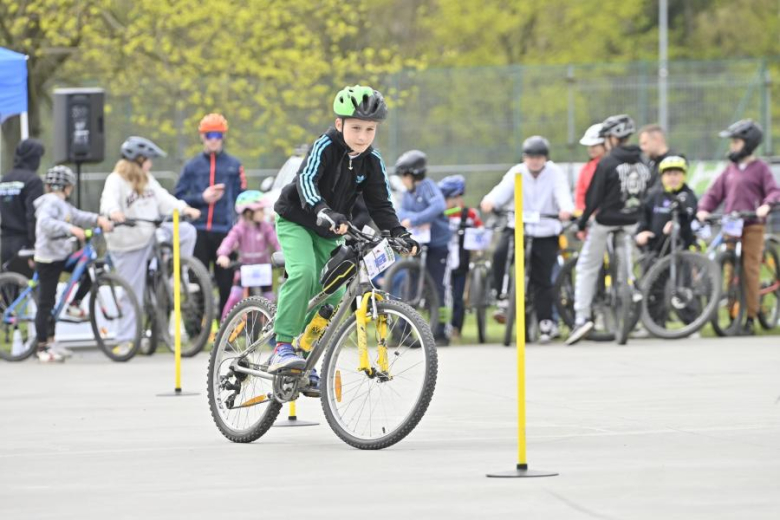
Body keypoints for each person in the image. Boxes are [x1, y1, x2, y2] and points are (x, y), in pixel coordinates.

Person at [271, 85, 417, 392]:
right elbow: (305, 182)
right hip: (297, 219)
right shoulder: (325, 146)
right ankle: (282, 346)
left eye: (369, 129)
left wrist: (399, 233)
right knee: (305, 273)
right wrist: (323, 210)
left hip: (331, 231)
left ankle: (304, 356)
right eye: (355, 128)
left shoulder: (372, 160)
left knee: (334, 296)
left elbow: (381, 205)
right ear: (340, 125)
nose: (362, 136)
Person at [100, 137, 200, 356]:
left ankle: (178, 275)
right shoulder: (115, 180)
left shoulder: (148, 180)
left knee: (186, 231)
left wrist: (184, 208)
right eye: (149, 160)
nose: (151, 164)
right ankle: (126, 340)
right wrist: (114, 213)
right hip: (127, 243)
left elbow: (165, 199)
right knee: (132, 292)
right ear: (138, 159)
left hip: (150, 234)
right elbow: (108, 201)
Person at [566, 114, 651, 346]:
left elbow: (594, 198)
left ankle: (581, 317)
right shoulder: (643, 161)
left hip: (606, 220)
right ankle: (631, 286)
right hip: (632, 220)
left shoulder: (607, 162)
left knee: (587, 265)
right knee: (629, 258)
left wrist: (582, 222)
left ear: (613, 138)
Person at [480, 136, 573, 343]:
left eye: (539, 157)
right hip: (518, 227)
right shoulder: (517, 172)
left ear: (545, 158)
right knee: (500, 254)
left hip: (546, 230)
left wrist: (566, 209)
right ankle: (502, 297)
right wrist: (489, 201)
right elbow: (500, 192)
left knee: (543, 276)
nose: (534, 161)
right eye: (531, 157)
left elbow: (563, 195)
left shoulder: (555, 173)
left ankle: (545, 321)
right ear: (525, 157)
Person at [696, 119, 780, 335]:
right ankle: (733, 312)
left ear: (748, 143)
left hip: (752, 225)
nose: (732, 146)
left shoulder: (760, 168)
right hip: (731, 225)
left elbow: (773, 191)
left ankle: (751, 316)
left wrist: (765, 206)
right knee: (730, 269)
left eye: (736, 142)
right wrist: (704, 209)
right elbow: (714, 193)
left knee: (750, 269)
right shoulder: (729, 170)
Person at [33, 166, 113, 362]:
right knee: (47, 302)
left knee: (88, 269)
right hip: (48, 259)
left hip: (61, 256)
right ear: (65, 186)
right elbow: (45, 223)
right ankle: (42, 345)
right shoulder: (51, 202)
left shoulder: (63, 204)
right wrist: (71, 229)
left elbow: (78, 215)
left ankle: (73, 305)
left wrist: (97, 219)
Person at [175, 113, 247, 315]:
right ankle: (196, 329)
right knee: (196, 281)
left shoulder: (234, 164)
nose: (213, 139)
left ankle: (224, 328)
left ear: (223, 136)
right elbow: (178, 197)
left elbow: (242, 197)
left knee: (226, 284)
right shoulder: (191, 166)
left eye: (217, 134)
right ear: (202, 137)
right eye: (209, 135)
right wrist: (202, 198)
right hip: (198, 232)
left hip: (225, 231)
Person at [395, 149, 452, 345]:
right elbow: (400, 211)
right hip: (419, 244)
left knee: (437, 286)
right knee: (409, 285)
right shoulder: (407, 193)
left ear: (412, 174)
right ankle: (403, 331)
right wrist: (411, 220)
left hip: (437, 244)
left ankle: (441, 332)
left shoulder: (427, 186)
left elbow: (438, 206)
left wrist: (417, 219)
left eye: (404, 176)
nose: (402, 180)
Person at [216, 190, 280, 318]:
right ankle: (224, 326)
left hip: (263, 269)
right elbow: (229, 241)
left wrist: (283, 253)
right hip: (244, 268)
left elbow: (276, 241)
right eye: (261, 210)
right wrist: (223, 255)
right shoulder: (239, 228)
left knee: (270, 299)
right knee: (235, 296)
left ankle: (273, 331)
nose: (264, 213)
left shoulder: (265, 227)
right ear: (249, 212)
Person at [438, 175, 482, 339]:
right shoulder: (441, 214)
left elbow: (480, 233)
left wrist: (477, 247)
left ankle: (456, 328)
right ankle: (441, 326)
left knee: (458, 296)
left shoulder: (469, 214)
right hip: (443, 259)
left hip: (461, 261)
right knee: (443, 294)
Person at [0, 138, 45, 276]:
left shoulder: (4, 179)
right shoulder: (33, 181)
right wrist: (35, 244)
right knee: (36, 289)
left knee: (10, 290)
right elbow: (33, 215)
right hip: (25, 242)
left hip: (5, 242)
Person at [636, 156, 698, 254]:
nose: (672, 177)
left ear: (683, 176)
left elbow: (690, 216)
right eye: (668, 174)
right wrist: (640, 233)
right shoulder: (653, 196)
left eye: (676, 174)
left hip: (681, 251)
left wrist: (677, 225)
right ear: (662, 176)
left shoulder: (689, 195)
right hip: (655, 250)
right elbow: (644, 217)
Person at [574, 124, 606, 214]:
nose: (591, 149)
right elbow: (580, 194)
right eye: (589, 145)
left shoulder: (614, 166)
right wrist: (582, 214)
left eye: (594, 145)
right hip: (589, 218)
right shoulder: (586, 169)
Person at [638, 124, 676, 191]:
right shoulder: (650, 162)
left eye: (645, 143)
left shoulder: (675, 161)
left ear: (656, 140)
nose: (642, 148)